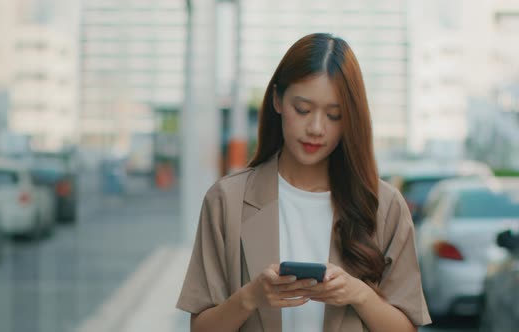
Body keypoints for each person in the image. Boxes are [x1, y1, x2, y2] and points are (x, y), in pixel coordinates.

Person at [176, 33, 431, 332]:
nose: (316, 128)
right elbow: (201, 328)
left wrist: (359, 294)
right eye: (303, 110)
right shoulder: (226, 200)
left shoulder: (383, 206)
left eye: (334, 115)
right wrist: (252, 296)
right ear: (277, 100)